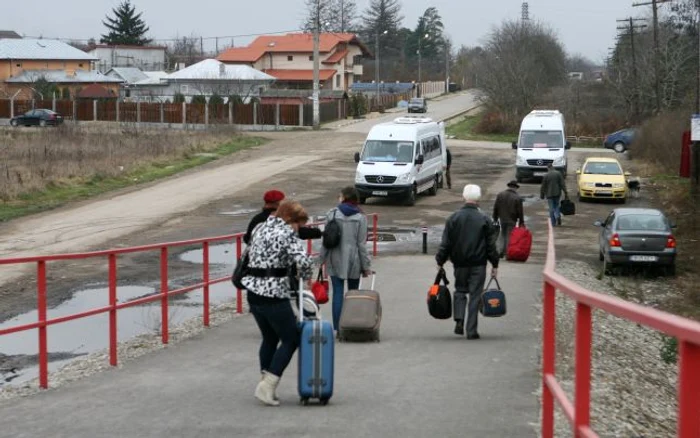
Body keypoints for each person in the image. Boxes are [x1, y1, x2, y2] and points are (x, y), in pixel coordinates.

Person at [241, 200, 313, 406]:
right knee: (291, 338)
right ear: (292, 220)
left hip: (252, 292)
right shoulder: (286, 233)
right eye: (299, 224)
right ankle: (268, 385)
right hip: (273, 293)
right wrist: (306, 279)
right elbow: (304, 261)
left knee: (270, 338)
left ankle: (265, 383)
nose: (299, 229)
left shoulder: (260, 227)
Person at [436, 184, 499, 340]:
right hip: (479, 263)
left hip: (459, 263)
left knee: (460, 290)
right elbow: (491, 245)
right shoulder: (485, 219)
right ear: (479, 199)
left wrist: (440, 260)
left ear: (463, 197)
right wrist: (495, 264)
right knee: (475, 295)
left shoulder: (453, 218)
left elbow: (446, 243)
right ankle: (471, 330)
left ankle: (459, 319)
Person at [320, 186, 372, 333]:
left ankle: (337, 328)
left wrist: (320, 259)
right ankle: (352, 325)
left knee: (337, 292)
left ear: (344, 198)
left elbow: (327, 240)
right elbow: (362, 244)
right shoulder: (361, 217)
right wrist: (366, 266)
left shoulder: (332, 214)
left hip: (334, 259)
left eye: (340, 195)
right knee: (353, 294)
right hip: (354, 260)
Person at [244, 190, 322, 245]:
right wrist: (319, 232)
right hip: (278, 265)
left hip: (254, 262)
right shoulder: (281, 218)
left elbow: (247, 238)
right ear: (278, 203)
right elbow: (299, 232)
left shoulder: (256, 219)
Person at [492, 180, 525, 258]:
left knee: (502, 234)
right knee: (509, 236)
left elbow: (496, 207)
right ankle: (507, 252)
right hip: (512, 219)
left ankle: (500, 251)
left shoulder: (500, 195)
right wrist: (521, 222)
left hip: (502, 219)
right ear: (516, 188)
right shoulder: (517, 197)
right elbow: (520, 211)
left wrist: (495, 218)